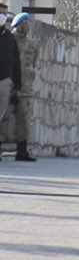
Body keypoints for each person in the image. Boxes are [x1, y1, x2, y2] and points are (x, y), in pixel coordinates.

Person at [0, 10, 30, 161]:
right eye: (24, 22)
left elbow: (26, 65)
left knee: (21, 119)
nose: (27, 25)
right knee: (4, 117)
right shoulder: (11, 39)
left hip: (18, 85)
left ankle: (22, 151)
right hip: (8, 82)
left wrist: (20, 85)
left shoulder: (29, 44)